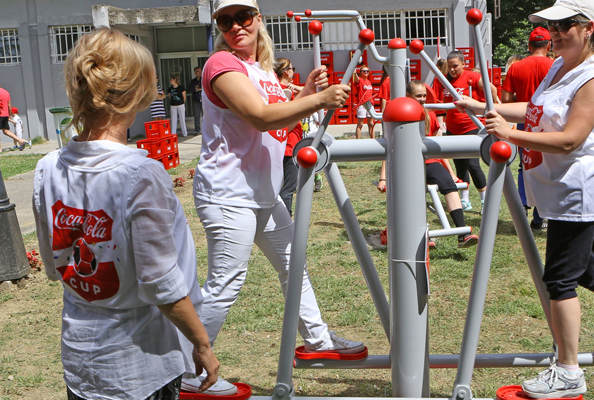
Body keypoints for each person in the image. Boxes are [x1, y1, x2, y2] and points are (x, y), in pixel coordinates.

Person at [459, 0, 594, 396]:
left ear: (588, 27)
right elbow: (536, 110)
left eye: (563, 25)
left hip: (578, 189)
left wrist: (508, 134)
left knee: (559, 278)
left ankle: (569, 371)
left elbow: (570, 139)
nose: (553, 33)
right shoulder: (560, 65)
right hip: (559, 187)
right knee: (584, 269)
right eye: (550, 25)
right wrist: (487, 108)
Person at [184, 0, 365, 394]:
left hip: (262, 192)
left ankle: (319, 341)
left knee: (293, 265)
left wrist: (302, 92)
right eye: (226, 20)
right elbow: (260, 117)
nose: (235, 26)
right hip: (228, 193)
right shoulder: (221, 64)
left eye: (243, 17)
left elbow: (279, 116)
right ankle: (188, 372)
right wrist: (318, 99)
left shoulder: (261, 69)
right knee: (226, 282)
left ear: (258, 20)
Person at [31, 27, 220, 400]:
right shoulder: (140, 173)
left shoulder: (47, 168)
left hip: (82, 358)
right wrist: (201, 342)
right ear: (138, 94)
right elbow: (160, 282)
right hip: (141, 363)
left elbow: (56, 266)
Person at [377, 80, 479, 248]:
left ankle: (462, 232)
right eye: (418, 96)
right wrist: (383, 179)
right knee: (411, 194)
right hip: (406, 164)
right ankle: (420, 236)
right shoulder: (399, 116)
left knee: (449, 186)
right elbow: (389, 152)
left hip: (429, 162)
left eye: (424, 95)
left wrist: (452, 174)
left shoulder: (430, 115)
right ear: (408, 96)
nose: (423, 99)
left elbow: (438, 149)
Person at [431, 50, 500, 211]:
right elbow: (436, 101)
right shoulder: (444, 80)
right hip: (453, 128)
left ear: (463, 64)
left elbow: (492, 89)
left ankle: (485, 200)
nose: (452, 70)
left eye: (455, 66)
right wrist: (439, 123)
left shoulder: (472, 77)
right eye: (450, 67)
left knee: (472, 164)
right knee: (459, 164)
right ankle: (465, 199)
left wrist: (490, 105)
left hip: (472, 126)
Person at [502, 26, 555, 231]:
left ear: (529, 45)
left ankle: (524, 207)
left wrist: (524, 98)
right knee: (548, 166)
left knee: (525, 166)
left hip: (526, 121)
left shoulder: (516, 67)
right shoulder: (556, 66)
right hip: (549, 122)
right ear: (549, 45)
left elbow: (506, 101)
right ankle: (541, 214)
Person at [274, 57, 305, 216]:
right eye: (292, 68)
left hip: (287, 144)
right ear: (286, 71)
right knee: (288, 188)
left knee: (284, 186)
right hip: (289, 145)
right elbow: (286, 123)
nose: (294, 71)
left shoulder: (278, 88)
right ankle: (285, 220)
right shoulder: (285, 91)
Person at [352, 65, 376, 139]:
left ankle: (373, 140)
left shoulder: (369, 81)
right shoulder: (360, 80)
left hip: (370, 104)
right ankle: (358, 141)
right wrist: (354, 73)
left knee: (371, 124)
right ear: (361, 72)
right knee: (360, 124)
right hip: (362, 104)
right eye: (364, 71)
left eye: (367, 71)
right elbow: (356, 79)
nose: (366, 72)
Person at [189, 66, 204, 135]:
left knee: (206, 116)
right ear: (195, 72)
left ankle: (206, 130)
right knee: (197, 116)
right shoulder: (193, 81)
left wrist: (200, 89)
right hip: (196, 100)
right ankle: (197, 130)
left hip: (204, 100)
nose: (199, 73)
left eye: (200, 71)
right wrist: (196, 89)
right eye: (197, 71)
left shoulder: (203, 79)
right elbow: (191, 90)